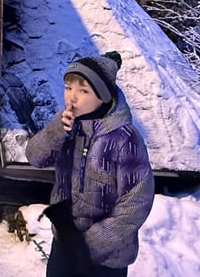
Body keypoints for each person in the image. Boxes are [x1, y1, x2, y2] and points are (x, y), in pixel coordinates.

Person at [26, 51, 155, 277]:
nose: (72, 98)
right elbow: (35, 157)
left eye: (83, 90)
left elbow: (137, 202)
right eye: (68, 88)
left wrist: (92, 243)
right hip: (65, 243)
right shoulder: (68, 126)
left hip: (107, 257)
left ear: (103, 97)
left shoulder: (125, 138)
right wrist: (56, 131)